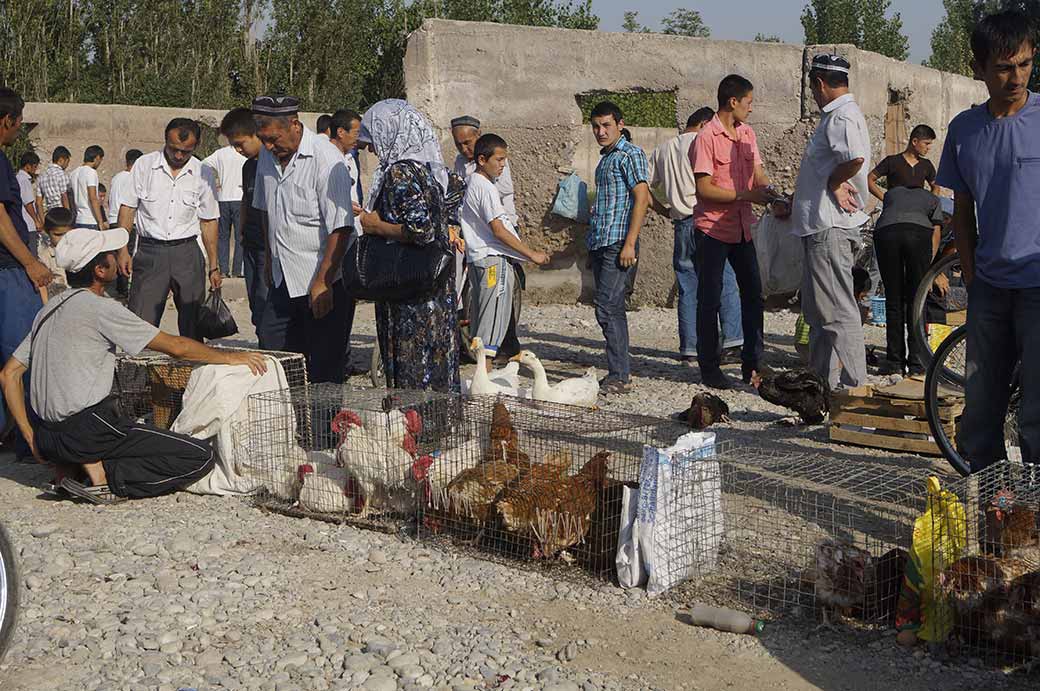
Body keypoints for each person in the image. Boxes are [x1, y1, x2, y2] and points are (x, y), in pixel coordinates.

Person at [0, 228, 267, 503]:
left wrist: (31, 437)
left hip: (47, 438)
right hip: (88, 430)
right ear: (101, 270)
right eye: (112, 256)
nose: (118, 259)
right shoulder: (101, 308)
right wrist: (230, 357)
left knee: (130, 434)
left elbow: (9, 375)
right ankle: (104, 476)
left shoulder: (48, 309)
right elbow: (177, 347)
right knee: (199, 457)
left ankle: (77, 469)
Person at [935, 11, 1039, 471]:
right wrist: (973, 275)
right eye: (1003, 67)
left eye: (1024, 64)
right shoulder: (963, 132)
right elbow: (961, 211)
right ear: (978, 68)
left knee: (1037, 413)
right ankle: (992, 509)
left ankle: (1033, 516)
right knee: (979, 410)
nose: (1016, 77)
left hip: (1038, 288)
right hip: (990, 290)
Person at [356, 99, 461, 393]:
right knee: (437, 356)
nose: (372, 150)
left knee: (413, 365)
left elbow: (421, 230)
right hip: (436, 286)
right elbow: (455, 192)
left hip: (409, 293)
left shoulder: (399, 173)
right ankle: (440, 425)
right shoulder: (431, 170)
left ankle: (416, 432)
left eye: (373, 141)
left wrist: (374, 224)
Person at [251, 96, 355, 384]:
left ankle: (325, 430)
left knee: (324, 370)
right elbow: (265, 210)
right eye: (264, 139)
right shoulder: (267, 155)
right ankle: (292, 426)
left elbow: (341, 227)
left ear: (295, 125)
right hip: (282, 278)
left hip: (321, 280)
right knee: (276, 360)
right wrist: (269, 260)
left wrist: (323, 280)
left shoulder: (325, 157)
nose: (269, 147)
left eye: (274, 139)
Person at [785, 54, 871, 390]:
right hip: (820, 226)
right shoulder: (839, 115)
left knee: (837, 312)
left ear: (819, 84)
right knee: (820, 315)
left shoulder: (842, 116)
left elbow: (854, 159)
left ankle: (855, 391)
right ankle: (819, 389)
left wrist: (835, 181)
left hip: (830, 228)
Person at [691, 75, 774, 390]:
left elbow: (758, 174)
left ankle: (752, 365)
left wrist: (772, 194)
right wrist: (745, 195)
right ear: (732, 102)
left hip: (742, 230)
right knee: (709, 299)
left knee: (753, 293)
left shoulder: (748, 134)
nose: (751, 109)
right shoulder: (706, 138)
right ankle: (709, 368)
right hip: (712, 229)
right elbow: (703, 188)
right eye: (749, 102)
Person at [648, 106, 743, 368]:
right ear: (704, 123)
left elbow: (643, 187)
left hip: (681, 223)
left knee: (688, 287)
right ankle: (733, 343)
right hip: (708, 222)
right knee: (725, 279)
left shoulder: (663, 150)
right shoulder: (707, 141)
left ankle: (690, 349)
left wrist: (663, 209)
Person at [116, 118, 222, 340]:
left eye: (186, 151)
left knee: (192, 326)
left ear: (196, 147)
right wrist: (122, 249)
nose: (179, 156)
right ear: (165, 141)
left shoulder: (204, 173)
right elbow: (127, 209)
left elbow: (209, 221)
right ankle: (136, 373)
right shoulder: (144, 166)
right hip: (150, 253)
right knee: (140, 325)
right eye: (174, 149)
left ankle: (191, 374)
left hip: (187, 254)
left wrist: (214, 266)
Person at [460, 134, 549, 365]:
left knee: (482, 320)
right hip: (492, 260)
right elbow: (498, 230)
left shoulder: (474, 182)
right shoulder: (485, 188)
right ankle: (484, 383)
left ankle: (482, 378)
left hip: (478, 259)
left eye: (504, 160)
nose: (502, 165)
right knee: (493, 322)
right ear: (482, 159)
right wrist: (531, 254)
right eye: (498, 160)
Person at [0, 88, 52, 447]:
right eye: (19, 123)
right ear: (8, 120)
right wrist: (31, 263)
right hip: (8, 271)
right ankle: (27, 437)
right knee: (25, 350)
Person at [587, 101, 650, 395]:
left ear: (620, 125)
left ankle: (620, 375)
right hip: (602, 241)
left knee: (606, 307)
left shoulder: (629, 154)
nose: (601, 131)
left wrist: (629, 244)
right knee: (612, 308)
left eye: (606, 125)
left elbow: (641, 198)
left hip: (618, 243)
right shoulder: (606, 160)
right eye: (596, 126)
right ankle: (619, 371)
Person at [872, 186, 945, 376]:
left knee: (893, 299)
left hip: (885, 232)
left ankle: (894, 362)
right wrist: (927, 268)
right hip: (918, 234)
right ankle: (917, 363)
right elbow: (936, 234)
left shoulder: (891, 195)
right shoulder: (933, 198)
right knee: (917, 301)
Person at [219, 108, 267, 332]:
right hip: (251, 243)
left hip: (268, 248)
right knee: (256, 302)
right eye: (234, 146)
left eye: (241, 143)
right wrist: (242, 233)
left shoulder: (272, 164)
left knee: (267, 301)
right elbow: (246, 199)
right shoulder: (248, 166)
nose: (239, 150)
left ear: (257, 134)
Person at [202, 142, 247, 278]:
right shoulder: (245, 153)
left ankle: (223, 270)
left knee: (222, 236)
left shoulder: (221, 153)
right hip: (240, 197)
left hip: (223, 198)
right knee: (240, 236)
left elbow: (204, 164)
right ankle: (238, 270)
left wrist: (214, 180)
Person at [868, 125, 939, 201]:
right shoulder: (892, 161)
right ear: (914, 141)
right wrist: (885, 200)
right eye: (926, 143)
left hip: (917, 211)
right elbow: (869, 179)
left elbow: (936, 187)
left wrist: (928, 205)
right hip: (895, 210)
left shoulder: (926, 165)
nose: (928, 148)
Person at [107, 149, 143, 298]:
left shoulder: (116, 178)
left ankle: (117, 286)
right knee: (126, 255)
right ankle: (124, 289)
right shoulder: (132, 178)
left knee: (116, 255)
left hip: (113, 220)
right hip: (127, 222)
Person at [68, 145, 108, 230]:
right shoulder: (91, 172)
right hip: (90, 220)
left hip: (78, 220)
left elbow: (70, 197)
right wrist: (101, 222)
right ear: (97, 157)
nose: (100, 162)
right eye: (100, 159)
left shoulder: (73, 173)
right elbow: (93, 197)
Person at [16, 152, 42, 249]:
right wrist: (36, 221)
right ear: (27, 166)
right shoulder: (24, 180)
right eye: (34, 167)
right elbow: (28, 204)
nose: (36, 169)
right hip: (28, 224)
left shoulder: (18, 178)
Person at [37, 146, 71, 213]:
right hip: (62, 212)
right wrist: (68, 214)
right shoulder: (61, 174)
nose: (67, 165)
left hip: (50, 213)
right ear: (61, 160)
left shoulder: (42, 176)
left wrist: (42, 220)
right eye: (67, 162)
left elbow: (38, 203)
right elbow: (64, 196)